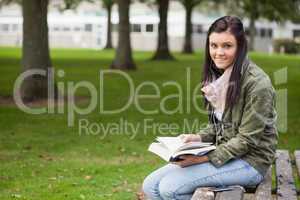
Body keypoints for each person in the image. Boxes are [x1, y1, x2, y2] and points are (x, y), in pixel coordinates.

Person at [142, 16, 277, 200]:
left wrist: (202, 158)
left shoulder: (257, 84)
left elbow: (247, 140)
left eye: (227, 46)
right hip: (226, 152)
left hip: (251, 161)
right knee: (150, 186)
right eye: (214, 45)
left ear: (240, 46)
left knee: (169, 189)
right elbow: (220, 125)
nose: (219, 52)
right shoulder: (219, 77)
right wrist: (196, 138)